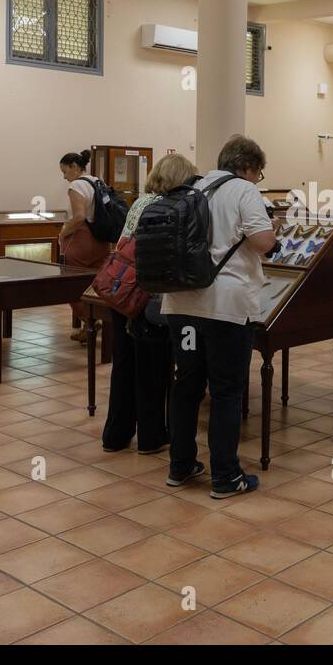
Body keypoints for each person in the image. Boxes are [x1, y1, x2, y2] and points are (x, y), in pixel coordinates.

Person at [161, 135, 278, 498]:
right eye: (258, 172)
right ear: (246, 167)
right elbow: (263, 243)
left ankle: (180, 466)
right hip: (225, 308)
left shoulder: (190, 186)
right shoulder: (244, 191)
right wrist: (272, 235)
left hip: (181, 305)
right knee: (227, 391)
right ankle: (226, 476)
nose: (257, 179)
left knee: (187, 386)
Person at [101, 152, 198, 454]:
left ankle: (115, 436)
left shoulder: (139, 203)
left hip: (122, 292)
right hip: (147, 298)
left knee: (123, 367)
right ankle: (152, 436)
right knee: (152, 371)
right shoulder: (168, 208)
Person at [58, 149, 111, 343]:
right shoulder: (98, 181)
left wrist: (63, 232)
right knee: (98, 286)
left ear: (74, 167)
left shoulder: (77, 186)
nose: (64, 177)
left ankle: (88, 322)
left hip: (82, 241)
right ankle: (103, 322)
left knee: (70, 285)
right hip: (102, 240)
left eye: (65, 171)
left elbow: (79, 217)